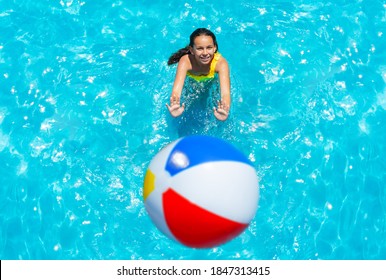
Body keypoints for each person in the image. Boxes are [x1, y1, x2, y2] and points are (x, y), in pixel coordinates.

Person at [166, 28, 231, 121]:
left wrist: (225, 109)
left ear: (215, 48)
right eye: (200, 48)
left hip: (211, 82)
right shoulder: (186, 61)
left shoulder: (221, 63)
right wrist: (175, 105)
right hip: (191, 82)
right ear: (191, 50)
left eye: (209, 47)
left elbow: (225, 93)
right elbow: (176, 90)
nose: (205, 53)